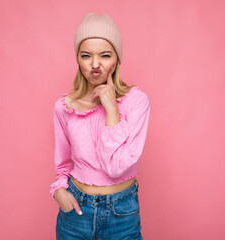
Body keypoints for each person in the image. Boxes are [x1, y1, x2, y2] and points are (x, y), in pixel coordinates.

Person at [49, 13, 150, 240]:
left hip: (121, 213)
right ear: (78, 59)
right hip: (75, 212)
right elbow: (63, 164)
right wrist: (59, 192)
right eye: (86, 56)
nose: (95, 64)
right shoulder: (63, 107)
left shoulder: (136, 102)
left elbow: (116, 168)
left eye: (105, 55)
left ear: (117, 59)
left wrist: (111, 109)